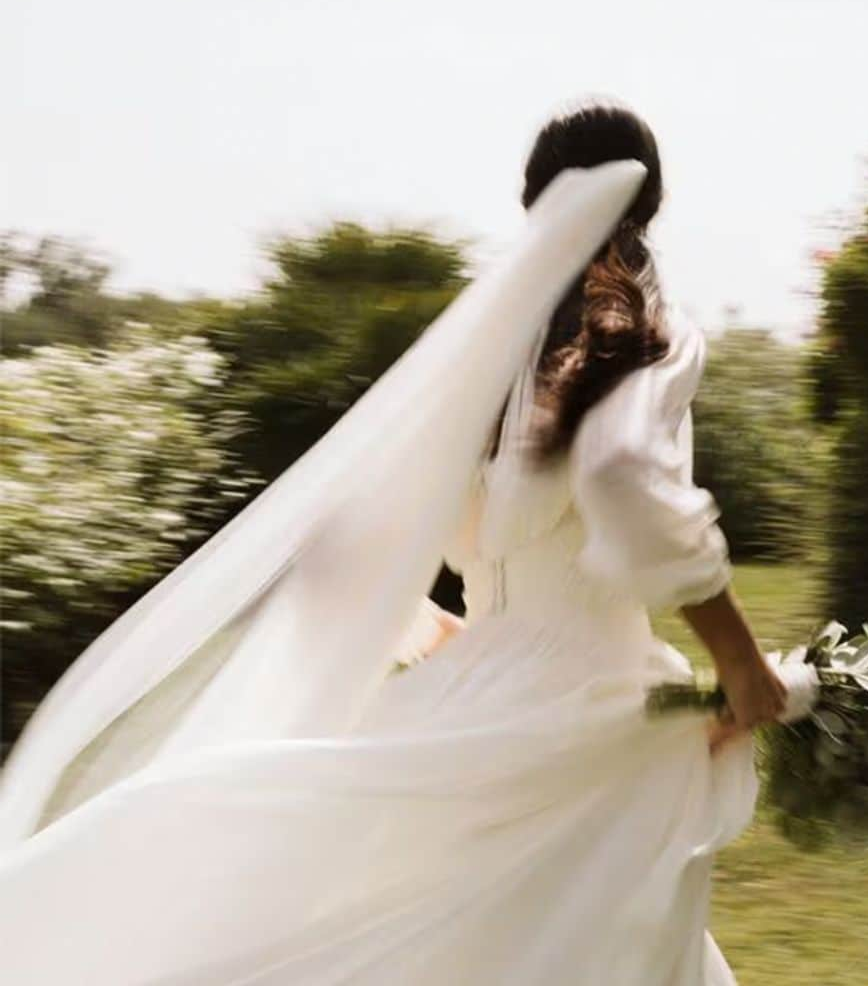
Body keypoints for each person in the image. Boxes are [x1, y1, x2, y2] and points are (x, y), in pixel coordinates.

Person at [0, 104, 789, 984]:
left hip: (484, 688)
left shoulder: (492, 355)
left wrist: (467, 632)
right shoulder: (649, 334)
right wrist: (744, 663)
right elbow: (621, 478)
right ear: (653, 203)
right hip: (582, 703)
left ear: (535, 204)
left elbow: (356, 543)